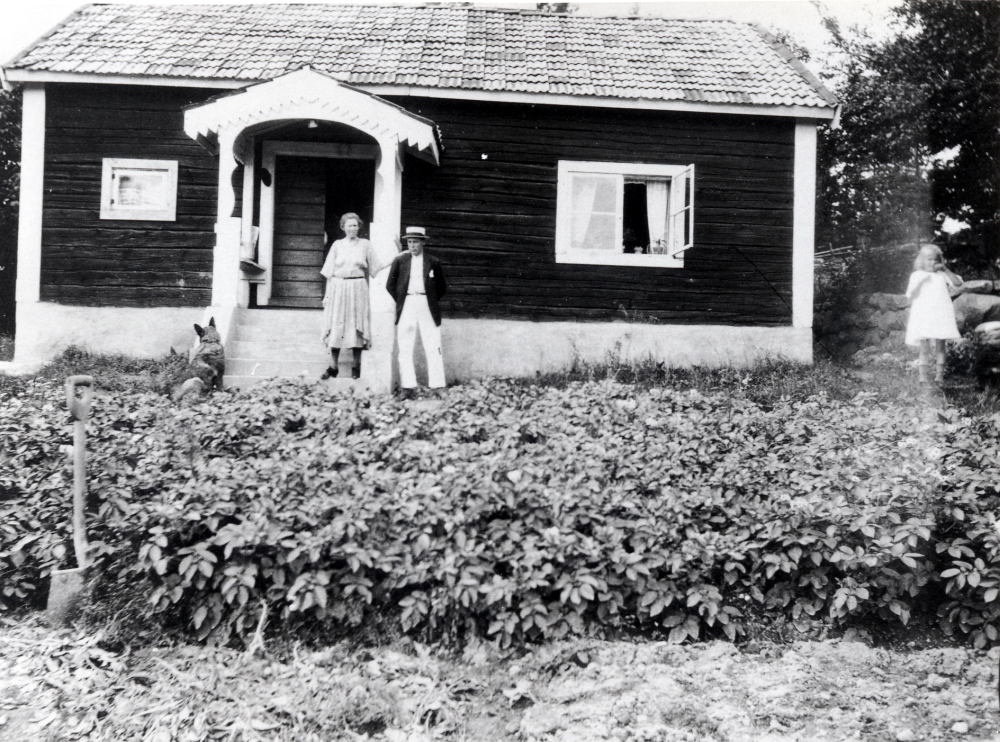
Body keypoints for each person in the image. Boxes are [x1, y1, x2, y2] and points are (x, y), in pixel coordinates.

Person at [319, 213, 384, 380]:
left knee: (357, 325)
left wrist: (396, 258)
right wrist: (327, 296)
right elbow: (329, 273)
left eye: (355, 225)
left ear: (359, 227)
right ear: (343, 227)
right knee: (336, 325)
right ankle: (333, 366)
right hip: (338, 288)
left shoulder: (365, 245)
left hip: (358, 288)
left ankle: (356, 366)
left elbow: (377, 266)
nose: (352, 229)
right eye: (349, 226)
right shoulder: (337, 245)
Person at [386, 226, 447, 397]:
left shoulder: (433, 261)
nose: (412, 246)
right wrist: (402, 300)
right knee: (405, 346)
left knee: (433, 344)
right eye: (409, 242)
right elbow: (390, 285)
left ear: (422, 242)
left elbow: (441, 287)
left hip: (427, 303)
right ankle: (408, 387)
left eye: (415, 242)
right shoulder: (401, 260)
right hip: (407, 303)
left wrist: (430, 300)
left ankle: (438, 386)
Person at [905, 243, 964, 384]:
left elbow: (958, 284)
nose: (932, 263)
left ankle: (939, 376)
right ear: (921, 260)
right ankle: (923, 376)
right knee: (924, 347)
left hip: (941, 313)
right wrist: (920, 283)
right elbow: (910, 295)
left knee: (940, 345)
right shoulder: (917, 275)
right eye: (929, 259)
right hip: (924, 314)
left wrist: (945, 269)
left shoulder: (942, 275)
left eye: (936, 260)